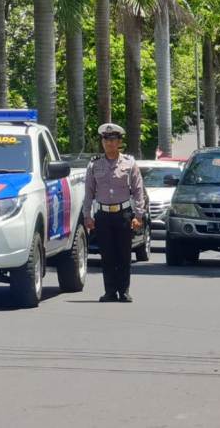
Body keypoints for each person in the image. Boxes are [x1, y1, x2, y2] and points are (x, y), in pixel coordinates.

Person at [82, 123, 146, 303]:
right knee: (107, 255)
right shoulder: (94, 164)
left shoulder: (129, 163)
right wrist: (87, 215)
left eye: (112, 140)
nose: (109, 143)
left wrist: (138, 215)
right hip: (103, 215)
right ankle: (109, 291)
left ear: (119, 142)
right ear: (102, 142)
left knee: (124, 254)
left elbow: (138, 190)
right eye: (105, 139)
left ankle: (124, 291)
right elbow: (88, 192)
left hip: (123, 214)